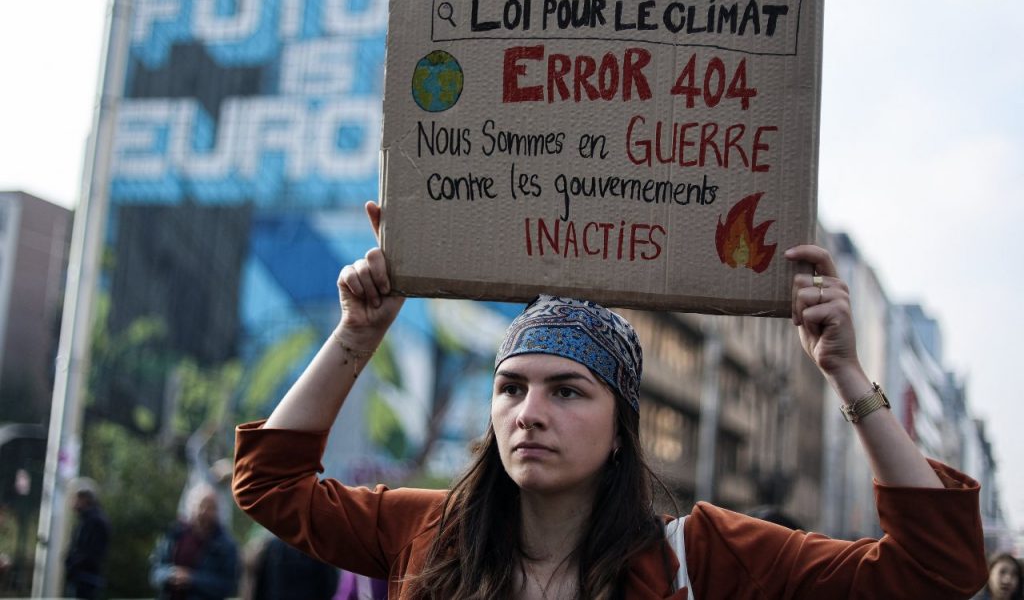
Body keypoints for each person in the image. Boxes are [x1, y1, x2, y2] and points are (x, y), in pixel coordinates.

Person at [233, 201, 987, 599]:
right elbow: (269, 485)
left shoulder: (707, 559)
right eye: (511, 388)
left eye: (568, 391)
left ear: (623, 430)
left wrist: (849, 375)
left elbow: (937, 570)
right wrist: (358, 337)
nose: (529, 413)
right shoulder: (426, 534)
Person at [151, 484, 238, 600]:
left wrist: (191, 579)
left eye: (210, 507)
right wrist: (170, 574)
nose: (204, 512)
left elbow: (228, 586)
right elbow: (156, 572)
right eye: (201, 506)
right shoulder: (173, 535)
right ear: (190, 507)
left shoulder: (226, 545)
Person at [63, 478, 110, 600]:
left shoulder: (96, 522)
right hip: (80, 579)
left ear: (85, 498)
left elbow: (91, 553)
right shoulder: (85, 521)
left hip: (87, 580)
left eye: (76, 498)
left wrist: (73, 563)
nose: (73, 502)